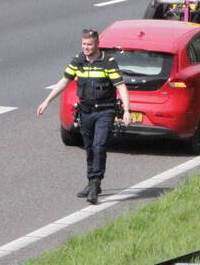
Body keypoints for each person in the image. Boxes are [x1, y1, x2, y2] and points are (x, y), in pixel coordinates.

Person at [37, 28, 131, 204]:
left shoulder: (107, 62)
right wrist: (47, 101)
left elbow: (121, 87)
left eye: (90, 44)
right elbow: (64, 80)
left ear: (97, 44)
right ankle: (91, 182)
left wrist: (127, 110)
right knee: (88, 148)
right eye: (84, 44)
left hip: (105, 111)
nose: (86, 47)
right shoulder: (78, 60)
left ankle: (95, 183)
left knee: (99, 146)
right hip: (85, 111)